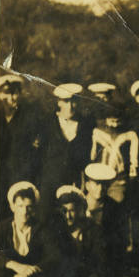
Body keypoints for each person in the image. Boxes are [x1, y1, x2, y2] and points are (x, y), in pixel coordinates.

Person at [0, 182, 51, 277]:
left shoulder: (42, 229)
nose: (25, 212)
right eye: (20, 206)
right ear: (12, 207)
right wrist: (15, 266)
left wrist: (27, 272)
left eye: (29, 207)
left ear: (34, 209)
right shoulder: (2, 228)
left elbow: (54, 256)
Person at [39, 83, 95, 212]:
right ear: (59, 102)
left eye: (73, 101)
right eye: (66, 101)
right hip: (50, 185)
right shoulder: (47, 124)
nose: (70, 106)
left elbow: (87, 157)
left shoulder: (86, 126)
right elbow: (39, 156)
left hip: (75, 183)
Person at [53, 184, 107, 277]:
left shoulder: (93, 230)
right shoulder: (57, 233)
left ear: (79, 210)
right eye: (64, 211)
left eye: (71, 210)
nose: (68, 216)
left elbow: (100, 261)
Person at [0, 74, 44, 220]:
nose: (11, 98)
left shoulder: (29, 116)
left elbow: (36, 149)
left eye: (15, 93)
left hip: (21, 174)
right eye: (6, 93)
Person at [83, 162, 131, 276]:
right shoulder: (78, 205)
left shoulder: (115, 209)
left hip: (105, 267)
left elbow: (121, 243)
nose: (100, 188)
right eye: (96, 184)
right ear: (87, 185)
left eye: (104, 184)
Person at [90, 101, 139, 204]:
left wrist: (131, 175)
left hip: (118, 180)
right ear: (106, 119)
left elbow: (133, 159)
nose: (115, 125)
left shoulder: (130, 135)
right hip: (100, 178)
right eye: (112, 121)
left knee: (116, 203)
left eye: (118, 121)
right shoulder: (98, 133)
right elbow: (93, 156)